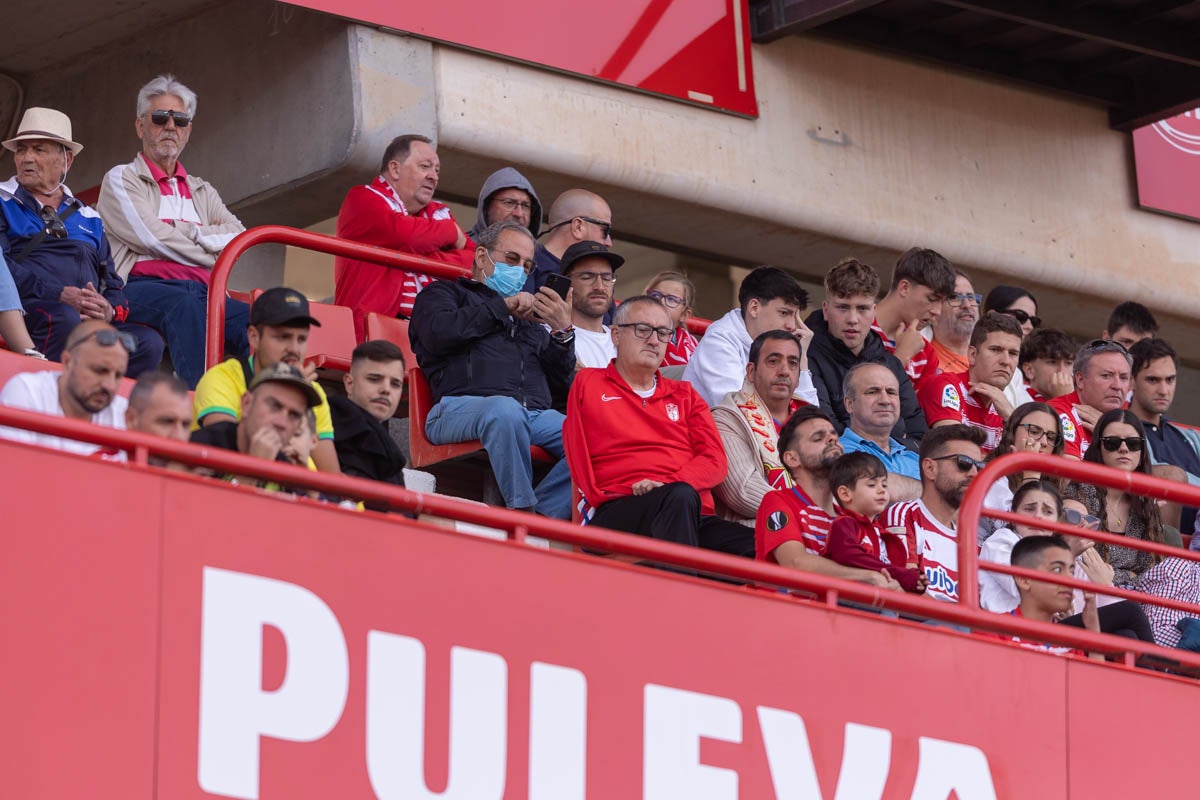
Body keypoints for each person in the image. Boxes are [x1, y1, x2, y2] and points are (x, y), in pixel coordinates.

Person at [563, 295, 753, 556]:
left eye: (663, 333)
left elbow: (714, 461)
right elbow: (576, 449)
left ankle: (676, 572)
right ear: (616, 335)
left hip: (688, 509)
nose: (654, 340)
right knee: (679, 498)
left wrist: (667, 484)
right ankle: (678, 581)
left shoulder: (685, 394)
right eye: (643, 330)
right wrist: (600, 498)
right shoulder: (589, 382)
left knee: (759, 546)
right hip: (619, 507)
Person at [410, 220, 573, 518]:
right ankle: (521, 511)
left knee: (592, 436)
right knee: (505, 411)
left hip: (532, 415)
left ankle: (542, 518)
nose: (520, 271)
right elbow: (436, 334)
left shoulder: (530, 321)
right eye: (512, 259)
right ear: (482, 256)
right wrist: (502, 308)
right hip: (457, 409)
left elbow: (561, 384)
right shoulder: (445, 294)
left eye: (527, 266)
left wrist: (562, 332)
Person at [96, 75, 249, 388]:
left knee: (260, 323)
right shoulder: (121, 178)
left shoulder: (202, 190)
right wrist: (210, 252)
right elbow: (150, 237)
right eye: (159, 118)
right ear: (140, 126)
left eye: (179, 120)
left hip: (206, 292)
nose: (170, 126)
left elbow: (238, 236)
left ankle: (256, 408)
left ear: (188, 130)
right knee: (183, 306)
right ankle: (202, 403)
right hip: (138, 287)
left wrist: (185, 231)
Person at [0, 107, 163, 376]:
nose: (27, 158)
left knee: (147, 343)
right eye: (21, 150)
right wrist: (59, 295)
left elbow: (112, 283)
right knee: (63, 318)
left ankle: (96, 393)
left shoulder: (90, 217)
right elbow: (3, 269)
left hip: (85, 320)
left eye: (38, 150)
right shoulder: (2, 200)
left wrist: (108, 310)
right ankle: (50, 394)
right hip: (30, 310)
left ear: (66, 160)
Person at [334, 134, 473, 339]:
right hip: (372, 337)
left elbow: (474, 262)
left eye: (436, 170)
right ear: (395, 169)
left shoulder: (439, 214)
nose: (434, 177)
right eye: (425, 166)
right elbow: (405, 235)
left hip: (430, 338)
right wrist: (451, 232)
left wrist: (417, 256)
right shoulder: (362, 198)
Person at [193, 287, 341, 473]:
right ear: (254, 337)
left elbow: (331, 476)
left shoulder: (314, 392)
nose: (294, 349)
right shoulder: (221, 378)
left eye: (302, 339)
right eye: (283, 337)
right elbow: (225, 453)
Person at [755, 406, 902, 589]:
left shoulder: (852, 516)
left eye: (834, 436)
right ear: (792, 459)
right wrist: (868, 576)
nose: (832, 439)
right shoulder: (778, 501)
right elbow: (794, 562)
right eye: (818, 438)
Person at [806, 258, 926, 448]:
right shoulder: (805, 358)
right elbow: (826, 434)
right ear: (826, 310)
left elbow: (920, 437)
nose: (853, 319)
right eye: (843, 307)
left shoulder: (890, 363)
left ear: (874, 312)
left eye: (862, 309)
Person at [1064, 409, 1183, 589]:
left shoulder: (1144, 504)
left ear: (1141, 452)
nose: (1124, 449)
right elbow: (1084, 565)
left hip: (1133, 597)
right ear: (1098, 448)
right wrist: (1127, 576)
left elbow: (1149, 574)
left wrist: (1114, 578)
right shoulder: (1079, 493)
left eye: (1133, 443)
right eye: (1112, 443)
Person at [684, 265, 814, 407]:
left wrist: (801, 359)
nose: (792, 325)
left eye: (795, 316)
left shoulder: (777, 348)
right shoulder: (718, 341)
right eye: (784, 313)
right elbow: (740, 410)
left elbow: (810, 417)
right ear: (754, 308)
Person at [884, 424, 987, 603]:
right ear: (930, 468)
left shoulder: (972, 541)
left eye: (979, 467)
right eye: (963, 463)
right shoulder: (904, 515)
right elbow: (905, 589)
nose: (973, 474)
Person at [712, 330, 806, 524]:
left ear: (798, 376)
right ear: (751, 372)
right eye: (773, 361)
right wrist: (807, 515)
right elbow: (742, 491)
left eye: (793, 363)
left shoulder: (813, 420)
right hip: (757, 529)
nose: (784, 371)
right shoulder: (725, 418)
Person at [0, 320, 131, 457]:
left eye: (118, 375)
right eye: (99, 371)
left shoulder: (122, 413)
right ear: (67, 362)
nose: (109, 385)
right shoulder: (27, 392)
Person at [189, 362, 322, 488]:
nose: (282, 423)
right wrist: (252, 472)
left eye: (294, 415)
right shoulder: (201, 447)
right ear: (246, 404)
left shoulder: (286, 466)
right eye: (274, 406)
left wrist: (307, 486)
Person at [917, 312, 1024, 453]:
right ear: (972, 355)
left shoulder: (1003, 409)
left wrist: (1010, 417)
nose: (1006, 361)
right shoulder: (946, 386)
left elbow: (1028, 462)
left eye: (1013, 353)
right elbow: (955, 454)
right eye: (995, 350)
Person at [823, 452, 925, 592]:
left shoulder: (882, 533)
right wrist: (900, 575)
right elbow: (849, 555)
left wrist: (912, 583)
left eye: (884, 485)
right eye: (871, 485)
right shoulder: (843, 524)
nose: (881, 490)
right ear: (845, 494)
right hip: (847, 599)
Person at [1129, 338, 1200, 534]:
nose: (1163, 390)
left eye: (1170, 380)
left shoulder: (1191, 436)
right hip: (1156, 544)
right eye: (1153, 380)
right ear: (1131, 380)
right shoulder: (1122, 431)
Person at [996, 535, 1103, 660]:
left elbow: (1091, 674)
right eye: (1057, 570)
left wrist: (1093, 630)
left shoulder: (1068, 641)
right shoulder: (994, 629)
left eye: (1072, 571)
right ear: (1024, 580)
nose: (1070, 579)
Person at [330, 340, 408, 505]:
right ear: (349, 383)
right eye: (374, 379)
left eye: (395, 384)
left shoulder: (389, 450)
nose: (386, 389)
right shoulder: (327, 431)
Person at [869, 246, 956, 391]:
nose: (937, 311)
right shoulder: (855, 328)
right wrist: (902, 355)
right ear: (904, 288)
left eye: (942, 302)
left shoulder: (926, 353)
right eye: (932, 299)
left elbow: (917, 405)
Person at [978, 401, 1065, 543]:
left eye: (1051, 437)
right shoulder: (989, 474)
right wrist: (1031, 474)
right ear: (1012, 433)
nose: (1043, 442)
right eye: (1034, 431)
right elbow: (1023, 531)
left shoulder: (1053, 489)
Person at [838, 363, 921, 498]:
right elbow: (877, 490)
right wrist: (932, 492)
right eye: (872, 392)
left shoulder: (914, 457)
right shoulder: (839, 452)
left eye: (891, 392)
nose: (885, 400)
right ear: (849, 404)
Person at [1048, 339, 1131, 459]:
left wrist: (1108, 433)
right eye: (1106, 376)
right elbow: (1069, 470)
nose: (1117, 386)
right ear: (1080, 380)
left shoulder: (1128, 417)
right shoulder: (1058, 413)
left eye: (1123, 378)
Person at [530, 189, 613, 293]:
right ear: (578, 227)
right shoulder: (524, 266)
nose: (609, 243)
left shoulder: (600, 279)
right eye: (605, 230)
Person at [559, 241, 622, 369]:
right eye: (587, 277)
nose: (599, 287)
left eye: (606, 278)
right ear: (566, 283)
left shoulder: (622, 341)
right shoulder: (551, 334)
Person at [982, 284, 1040, 410]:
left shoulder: (1016, 373)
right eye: (1021, 316)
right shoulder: (972, 356)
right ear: (992, 315)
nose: (1029, 326)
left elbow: (1031, 417)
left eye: (1034, 321)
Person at [927, 271, 979, 375]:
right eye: (954, 297)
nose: (967, 305)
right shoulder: (918, 359)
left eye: (970, 298)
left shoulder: (992, 361)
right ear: (934, 312)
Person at [468, 167, 541, 240]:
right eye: (509, 202)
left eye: (525, 205)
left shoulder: (536, 248)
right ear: (486, 207)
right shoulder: (463, 246)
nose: (519, 214)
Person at [645, 270, 698, 367]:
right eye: (655, 295)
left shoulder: (695, 346)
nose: (661, 302)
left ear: (684, 315)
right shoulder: (632, 331)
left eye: (671, 299)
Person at [1017, 328, 1076, 402]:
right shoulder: (1017, 398)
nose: (1062, 371)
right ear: (1029, 370)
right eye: (1052, 362)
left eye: (1068, 363)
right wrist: (1064, 400)